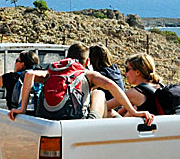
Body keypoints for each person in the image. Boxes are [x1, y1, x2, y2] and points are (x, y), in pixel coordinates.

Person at [8, 42, 153, 125]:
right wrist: (134, 112)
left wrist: (22, 108)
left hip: (48, 117)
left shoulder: (52, 71)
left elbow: (29, 74)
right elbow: (110, 85)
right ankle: (93, 122)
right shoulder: (86, 74)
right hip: (77, 119)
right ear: (87, 61)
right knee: (99, 93)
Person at [108, 52, 163, 117]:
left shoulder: (135, 92)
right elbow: (121, 112)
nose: (125, 74)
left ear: (137, 72)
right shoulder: (160, 86)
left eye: (127, 69)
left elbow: (104, 106)